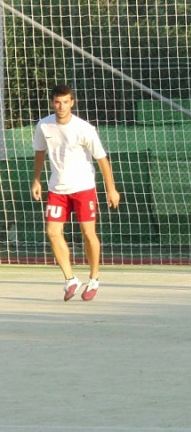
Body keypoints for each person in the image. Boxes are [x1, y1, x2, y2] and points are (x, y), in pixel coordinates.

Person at [31, 84, 120, 301]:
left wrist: (111, 189)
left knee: (88, 234)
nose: (61, 106)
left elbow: (102, 160)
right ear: (53, 102)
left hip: (83, 188)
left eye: (65, 102)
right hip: (56, 190)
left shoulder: (85, 129)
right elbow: (40, 153)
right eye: (57, 102)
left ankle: (94, 278)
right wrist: (36, 180)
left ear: (72, 102)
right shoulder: (44, 126)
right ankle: (70, 279)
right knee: (52, 232)